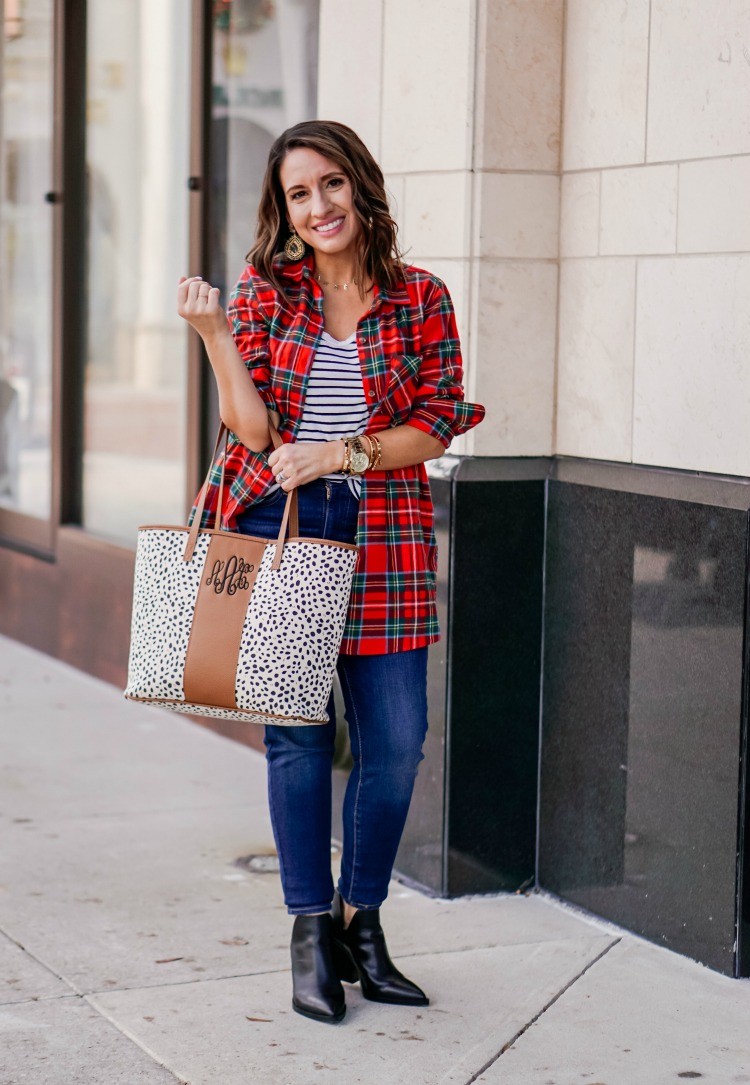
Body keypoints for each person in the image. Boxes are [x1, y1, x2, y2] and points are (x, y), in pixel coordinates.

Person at [177, 120, 484, 1024]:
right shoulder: (268, 292)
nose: (319, 208)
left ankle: (364, 921)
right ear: (286, 209)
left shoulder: (420, 295)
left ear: (362, 187)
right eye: (299, 194)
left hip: (384, 525)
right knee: (300, 736)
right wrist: (213, 336)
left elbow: (436, 422)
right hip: (281, 525)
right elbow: (256, 432)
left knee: (396, 740)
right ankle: (312, 929)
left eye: (331, 185)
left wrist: (343, 453)